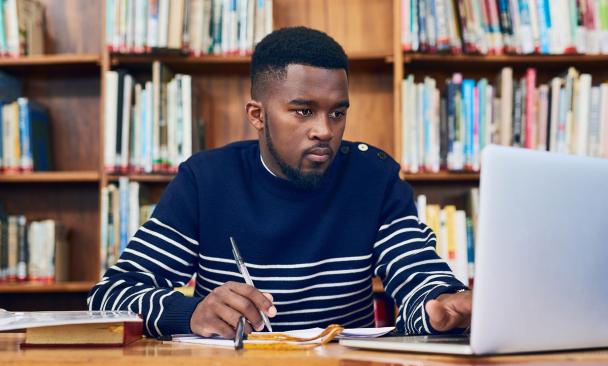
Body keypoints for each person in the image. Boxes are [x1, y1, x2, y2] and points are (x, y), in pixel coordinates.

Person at [88, 26, 472, 339]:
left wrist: (438, 306)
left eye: (337, 113)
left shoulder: (375, 178)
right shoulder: (205, 181)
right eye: (303, 111)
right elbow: (109, 298)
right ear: (257, 115)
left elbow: (417, 272)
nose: (324, 131)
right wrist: (191, 313)